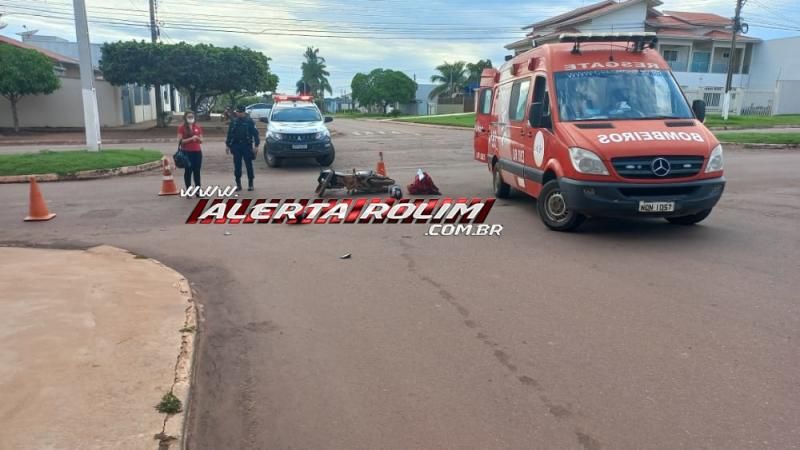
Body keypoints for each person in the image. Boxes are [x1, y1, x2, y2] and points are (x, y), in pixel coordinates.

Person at [226, 105, 260, 191]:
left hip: (246, 145)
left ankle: (250, 184)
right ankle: (238, 184)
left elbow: (255, 134)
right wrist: (227, 145)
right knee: (237, 165)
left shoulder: (249, 121)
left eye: (240, 112)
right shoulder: (233, 122)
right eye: (237, 112)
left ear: (244, 112)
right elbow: (229, 134)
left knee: (249, 165)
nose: (238, 114)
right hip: (236, 145)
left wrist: (256, 145)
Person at [177, 111, 203, 191]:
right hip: (187, 152)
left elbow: (201, 140)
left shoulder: (197, 127)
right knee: (188, 171)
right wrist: (191, 139)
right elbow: (180, 141)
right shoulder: (182, 128)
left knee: (197, 172)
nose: (191, 118)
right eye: (189, 117)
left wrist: (197, 138)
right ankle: (188, 190)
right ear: (185, 118)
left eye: (192, 116)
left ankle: (198, 190)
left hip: (197, 152)